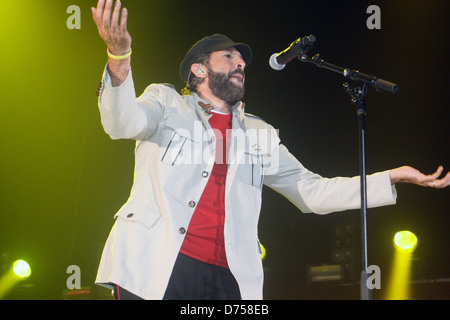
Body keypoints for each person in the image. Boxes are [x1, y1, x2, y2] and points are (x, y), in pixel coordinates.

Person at [91, 0, 449, 300]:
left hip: (229, 277)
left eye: (242, 60)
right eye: (228, 56)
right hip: (159, 262)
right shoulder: (166, 103)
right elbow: (121, 123)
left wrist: (390, 177)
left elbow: (312, 192)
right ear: (198, 69)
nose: (241, 63)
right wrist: (120, 54)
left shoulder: (259, 133)